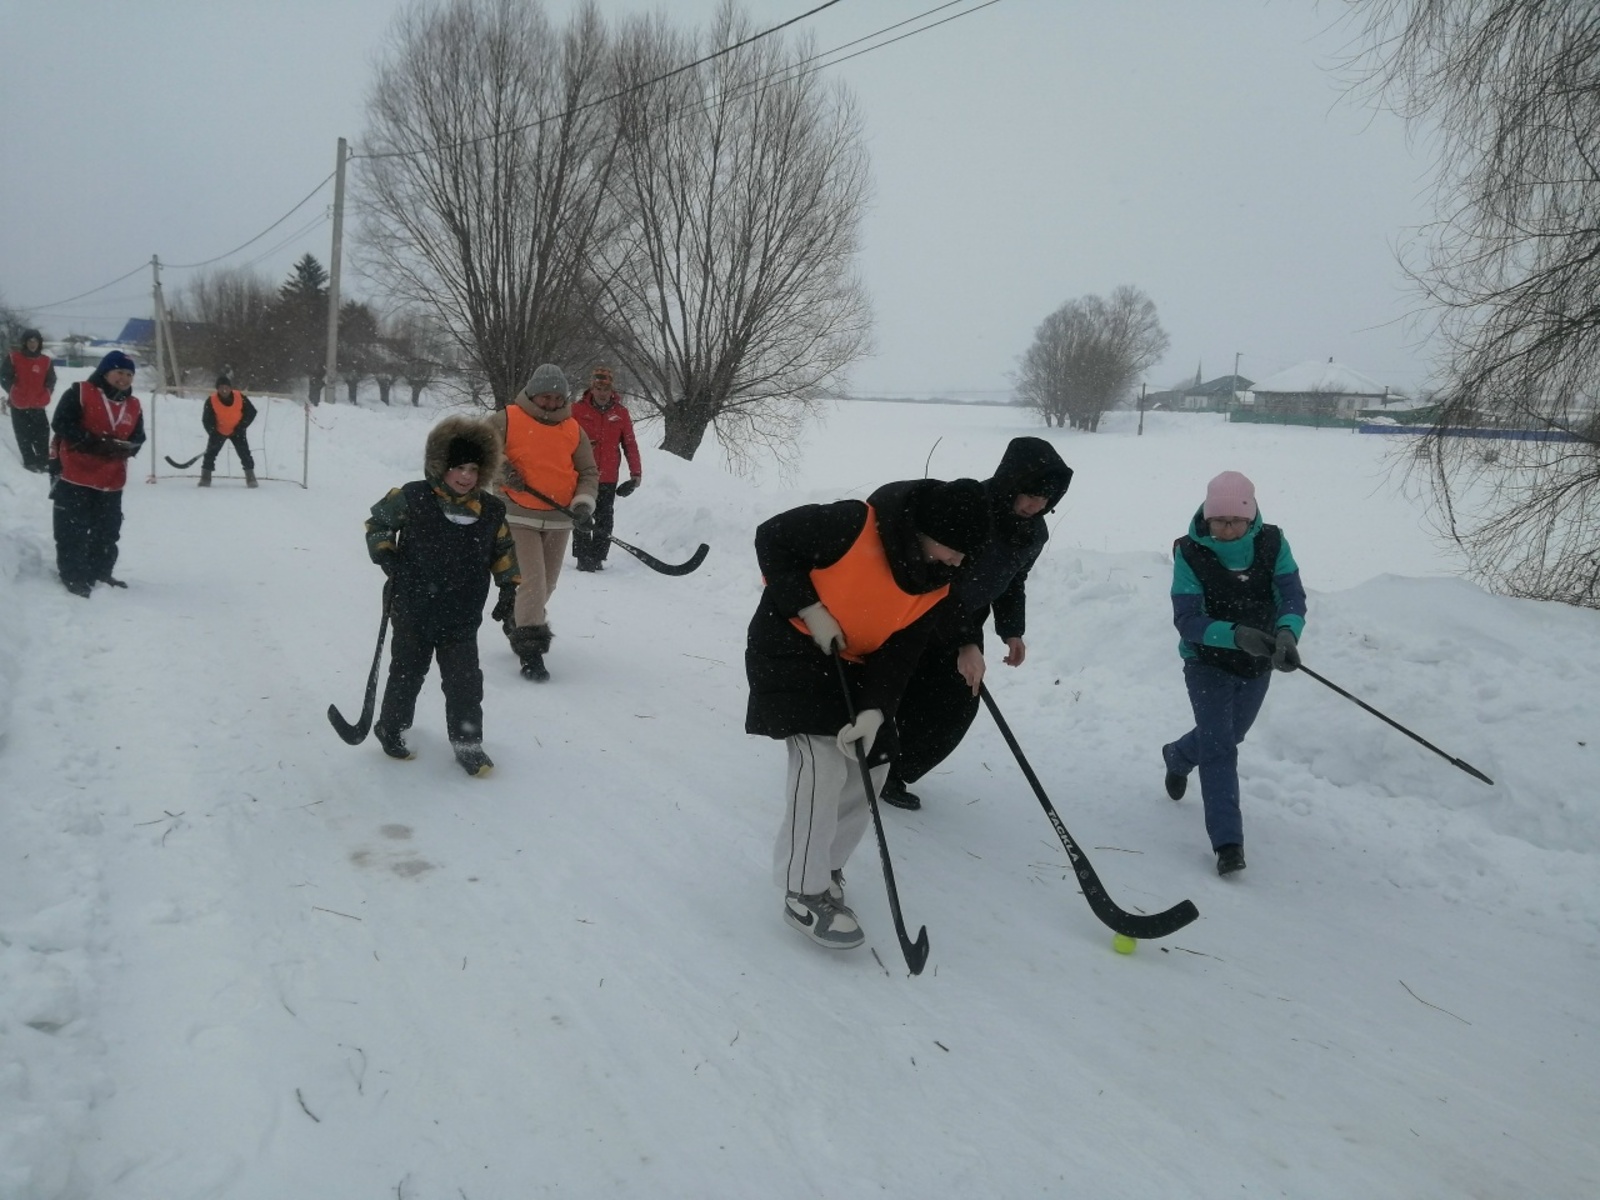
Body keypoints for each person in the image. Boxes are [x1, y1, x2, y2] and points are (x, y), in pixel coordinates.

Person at [746, 476, 991, 950]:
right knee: (820, 763)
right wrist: (810, 608)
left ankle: (828, 866)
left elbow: (902, 651)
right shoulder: (852, 523)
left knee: (872, 763)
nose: (960, 562)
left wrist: (877, 711)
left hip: (858, 666)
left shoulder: (936, 581)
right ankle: (803, 890)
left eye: (966, 554)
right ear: (926, 530)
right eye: (954, 549)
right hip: (791, 646)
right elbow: (771, 536)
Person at [880, 437, 1075, 810]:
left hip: (966, 620)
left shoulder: (1034, 531)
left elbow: (1013, 579)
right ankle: (865, 758)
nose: (1036, 504)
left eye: (1046, 498)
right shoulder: (970, 507)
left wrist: (1011, 630)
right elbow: (940, 577)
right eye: (1030, 493)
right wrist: (966, 641)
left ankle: (894, 770)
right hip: (919, 611)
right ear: (1011, 481)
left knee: (957, 703)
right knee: (898, 689)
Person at [1161, 470, 1306, 876]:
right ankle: (1228, 843)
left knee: (1231, 734)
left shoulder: (1273, 543)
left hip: (1258, 661)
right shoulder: (1190, 552)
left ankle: (1177, 755)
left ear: (1251, 517)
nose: (1226, 529)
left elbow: (1291, 595)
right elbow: (1187, 619)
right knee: (1221, 747)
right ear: (1207, 518)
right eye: (1219, 521)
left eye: (1235, 521)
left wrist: (1287, 634)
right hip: (1205, 660)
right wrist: (1235, 634)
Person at [365, 415, 520, 777]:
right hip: (413, 608)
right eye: (457, 467)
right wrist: (387, 554)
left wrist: (509, 587)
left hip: (461, 614)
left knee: (465, 683)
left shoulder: (491, 510)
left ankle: (468, 744)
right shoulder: (412, 496)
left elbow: (503, 550)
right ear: (440, 465)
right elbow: (378, 524)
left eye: (472, 468)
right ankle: (391, 728)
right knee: (406, 675)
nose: (465, 476)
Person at [491, 363, 599, 681]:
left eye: (557, 397)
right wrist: (504, 470)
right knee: (534, 581)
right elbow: (479, 452)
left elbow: (588, 472)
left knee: (548, 583)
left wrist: (582, 505)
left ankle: (518, 614)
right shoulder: (507, 419)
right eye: (545, 397)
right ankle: (531, 652)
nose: (551, 403)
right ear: (532, 394)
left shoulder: (572, 429)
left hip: (559, 518)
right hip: (517, 513)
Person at [50, 350, 145, 597]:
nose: (123, 378)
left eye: (128, 374)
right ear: (105, 371)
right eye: (119, 372)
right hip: (75, 474)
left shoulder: (133, 405)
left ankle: (100, 572)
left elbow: (139, 435)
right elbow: (61, 422)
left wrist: (127, 448)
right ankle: (73, 575)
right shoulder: (81, 392)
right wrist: (90, 441)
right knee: (73, 528)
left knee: (107, 529)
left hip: (111, 478)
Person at [569, 365, 642, 572]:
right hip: (583, 474)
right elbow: (565, 440)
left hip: (609, 475)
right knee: (582, 514)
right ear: (591, 388)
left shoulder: (621, 413)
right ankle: (583, 557)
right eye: (598, 388)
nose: (602, 393)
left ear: (612, 390)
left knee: (604, 517)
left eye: (606, 389)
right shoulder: (577, 410)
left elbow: (630, 444)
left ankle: (598, 556)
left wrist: (635, 475)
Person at [2, 328, 56, 472]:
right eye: (30, 341)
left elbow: (51, 380)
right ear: (25, 343)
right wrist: (13, 391)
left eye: (35, 341)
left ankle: (43, 461)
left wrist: (47, 393)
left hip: (38, 404)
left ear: (40, 343)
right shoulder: (14, 357)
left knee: (42, 433)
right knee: (23, 435)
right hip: (18, 404)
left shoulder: (45, 361)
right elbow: (4, 377)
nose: (33, 344)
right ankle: (29, 461)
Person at [199, 374, 258, 488]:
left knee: (244, 454)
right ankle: (205, 478)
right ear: (217, 389)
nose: (224, 390)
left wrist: (241, 427)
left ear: (231, 388)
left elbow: (251, 412)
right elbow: (206, 419)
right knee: (210, 454)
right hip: (218, 432)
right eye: (221, 388)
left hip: (238, 432)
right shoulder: (211, 401)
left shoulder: (240, 397)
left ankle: (251, 478)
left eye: (226, 387)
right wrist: (212, 431)